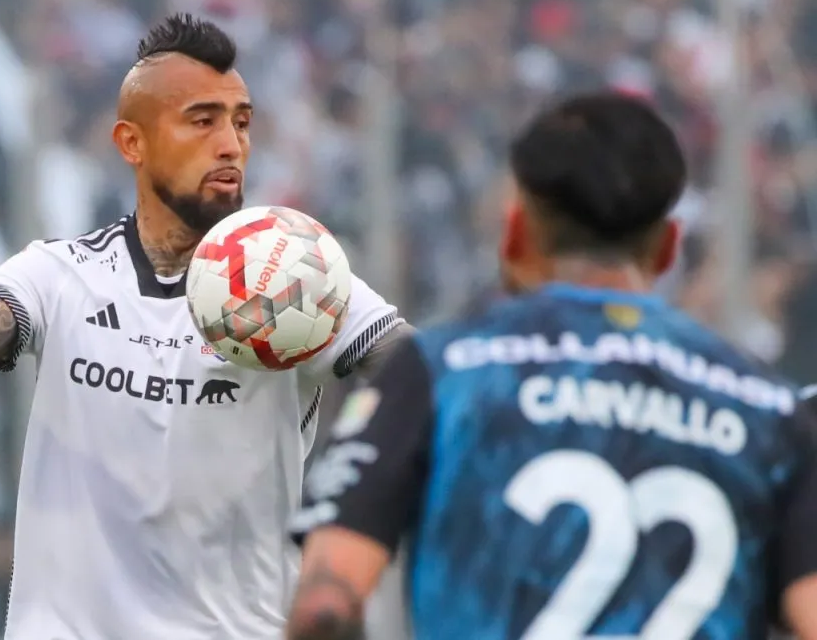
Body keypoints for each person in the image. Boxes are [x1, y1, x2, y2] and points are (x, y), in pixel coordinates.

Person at [0, 14, 409, 640]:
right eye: (202, 120)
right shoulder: (63, 272)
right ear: (132, 143)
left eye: (241, 122)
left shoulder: (292, 276)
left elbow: (414, 368)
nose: (231, 145)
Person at [285, 93, 817, 640]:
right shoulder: (767, 408)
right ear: (667, 248)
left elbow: (324, 606)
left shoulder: (441, 373)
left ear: (517, 231)